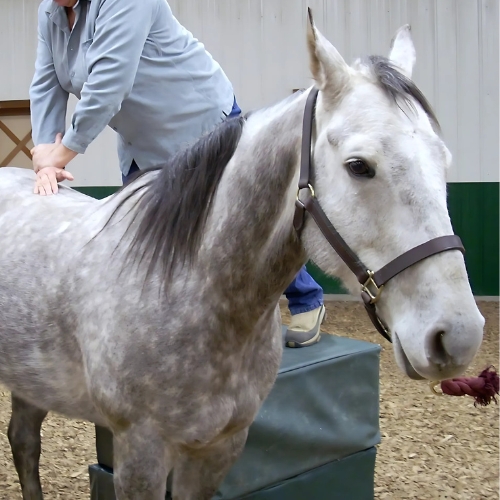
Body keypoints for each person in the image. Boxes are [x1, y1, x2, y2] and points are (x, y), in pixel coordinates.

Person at [29, 0, 325, 347]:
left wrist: (65, 151)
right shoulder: (49, 14)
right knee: (145, 241)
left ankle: (307, 300)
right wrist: (46, 157)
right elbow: (47, 86)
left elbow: (109, 82)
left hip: (199, 120)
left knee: (242, 222)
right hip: (141, 142)